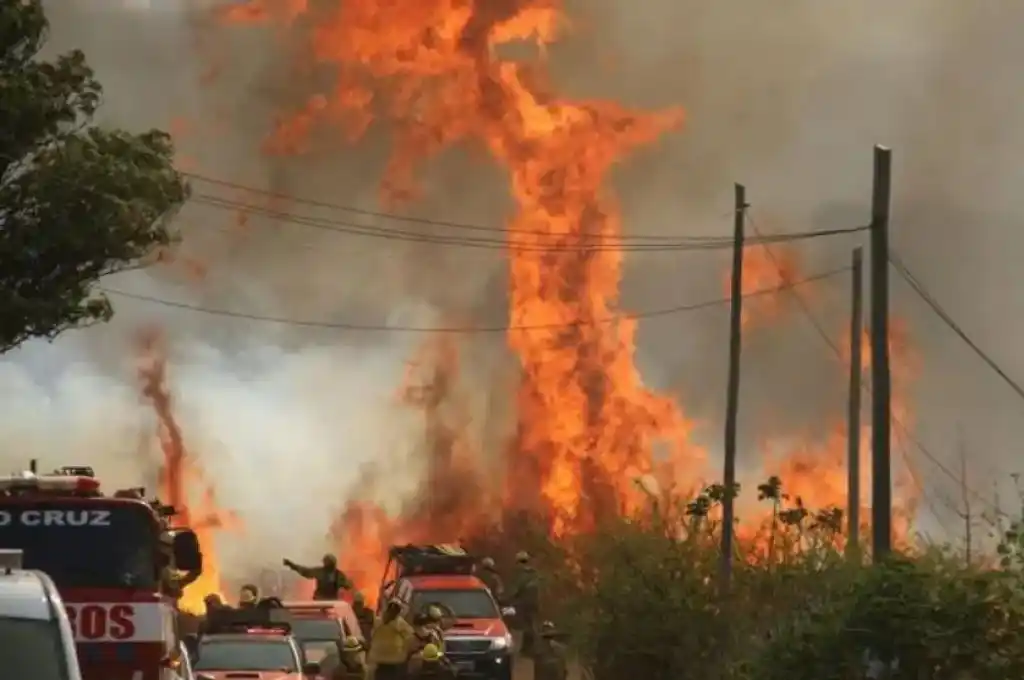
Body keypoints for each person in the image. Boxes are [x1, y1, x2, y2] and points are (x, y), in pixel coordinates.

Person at [368, 600, 414, 680]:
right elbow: (410, 638)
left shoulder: (379, 621)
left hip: (384, 659)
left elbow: (372, 635)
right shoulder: (399, 623)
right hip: (392, 660)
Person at [283, 554, 353, 600]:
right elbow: (305, 571)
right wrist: (291, 565)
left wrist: (348, 584)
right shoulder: (320, 572)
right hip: (320, 600)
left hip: (331, 601)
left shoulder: (338, 574)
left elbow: (347, 586)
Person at [509, 551, 540, 656]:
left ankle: (530, 649)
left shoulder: (521, 573)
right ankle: (528, 648)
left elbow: (516, 589)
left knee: (528, 626)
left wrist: (508, 598)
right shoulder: (534, 573)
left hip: (524, 603)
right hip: (534, 602)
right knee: (532, 625)